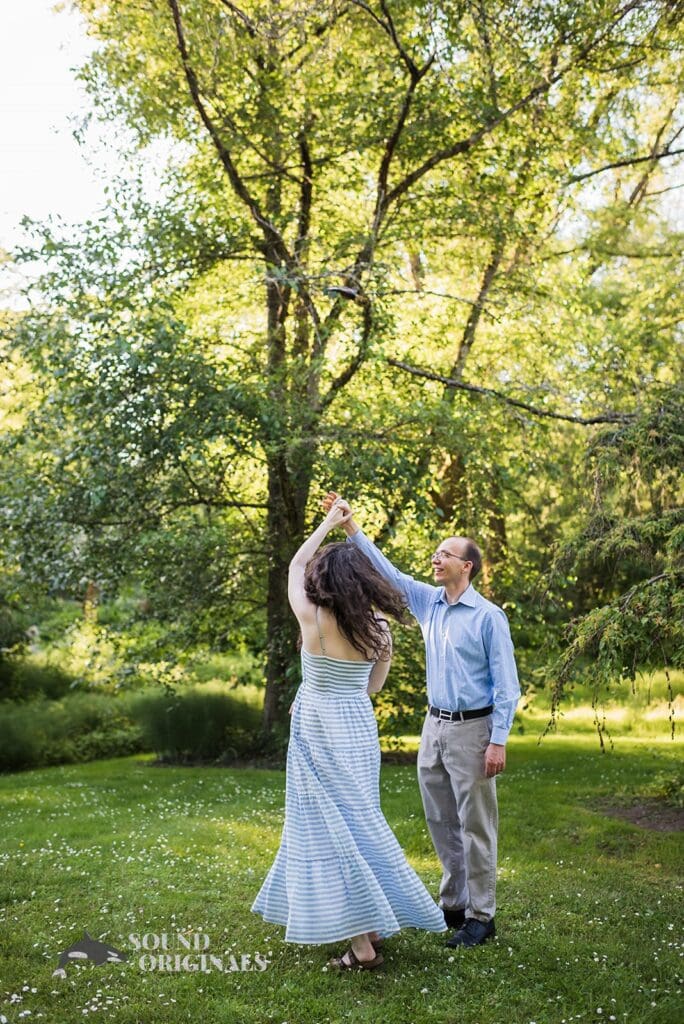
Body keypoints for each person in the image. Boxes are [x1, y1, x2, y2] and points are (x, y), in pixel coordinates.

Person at [251, 499, 447, 970]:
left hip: (316, 725)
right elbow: (373, 687)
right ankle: (370, 922)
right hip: (356, 728)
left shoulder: (311, 617)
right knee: (359, 822)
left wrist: (327, 524)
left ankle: (362, 945)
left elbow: (295, 565)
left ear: (325, 580)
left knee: (327, 830)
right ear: (364, 582)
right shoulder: (380, 629)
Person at [322, 492, 521, 949]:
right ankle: (453, 904)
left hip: (473, 730)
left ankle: (481, 916)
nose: (436, 557)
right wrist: (351, 527)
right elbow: (388, 572)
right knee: (440, 820)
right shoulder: (428, 602)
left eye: (445, 554)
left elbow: (507, 686)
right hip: (433, 728)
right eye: (436, 552)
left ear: (466, 566)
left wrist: (498, 740)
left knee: (476, 825)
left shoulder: (489, 618)